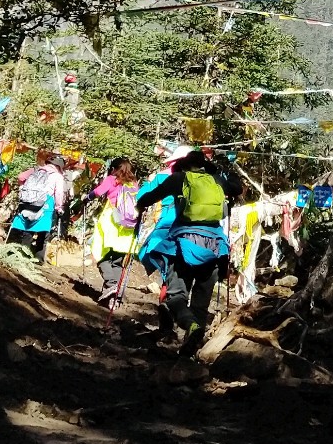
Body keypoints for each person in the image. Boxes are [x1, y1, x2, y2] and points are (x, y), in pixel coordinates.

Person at [136, 147, 243, 350]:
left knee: (175, 296)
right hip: (215, 246)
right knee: (201, 303)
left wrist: (140, 206)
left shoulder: (179, 179)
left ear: (184, 165)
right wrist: (232, 174)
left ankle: (190, 325)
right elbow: (236, 188)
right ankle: (191, 351)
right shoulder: (217, 181)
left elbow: (150, 197)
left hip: (184, 242)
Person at [87, 157, 143, 308]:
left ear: (113, 168)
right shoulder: (134, 183)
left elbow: (98, 192)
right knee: (118, 261)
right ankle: (114, 298)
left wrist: (87, 198)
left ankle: (111, 285)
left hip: (111, 221)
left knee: (100, 253)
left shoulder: (112, 179)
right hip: (127, 227)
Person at [7, 148, 67, 260]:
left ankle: (22, 254)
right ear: (59, 166)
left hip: (28, 201)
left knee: (27, 229)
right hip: (46, 204)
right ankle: (38, 258)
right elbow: (58, 193)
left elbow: (20, 177)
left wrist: (23, 189)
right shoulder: (57, 176)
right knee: (43, 231)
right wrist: (59, 208)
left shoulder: (35, 170)